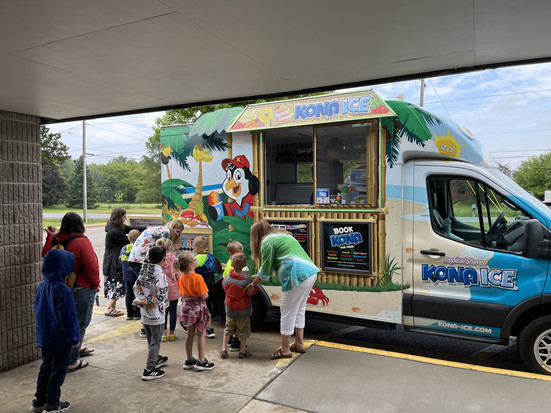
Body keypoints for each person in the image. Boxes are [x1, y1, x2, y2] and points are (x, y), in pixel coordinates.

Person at [247, 220, 319, 359]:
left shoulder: (266, 242)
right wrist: (260, 275)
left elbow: (265, 273)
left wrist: (253, 284)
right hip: (310, 273)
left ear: (256, 235)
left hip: (295, 275)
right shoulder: (285, 236)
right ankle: (299, 343)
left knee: (287, 312)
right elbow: (278, 261)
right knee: (299, 309)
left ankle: (285, 349)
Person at [42, 212, 100, 373]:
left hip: (60, 287)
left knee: (64, 322)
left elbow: (45, 255)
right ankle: (72, 359)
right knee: (80, 323)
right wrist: (95, 285)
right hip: (80, 287)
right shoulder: (81, 241)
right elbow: (92, 266)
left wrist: (50, 237)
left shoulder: (56, 238)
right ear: (80, 224)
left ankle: (76, 348)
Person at [31, 249, 80, 413]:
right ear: (63, 268)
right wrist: (73, 338)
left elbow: (37, 309)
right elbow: (68, 319)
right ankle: (52, 403)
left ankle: (39, 399)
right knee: (58, 370)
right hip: (60, 340)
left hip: (45, 337)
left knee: (46, 367)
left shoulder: (42, 287)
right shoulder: (63, 291)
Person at [128, 220, 183, 337]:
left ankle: (148, 326)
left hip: (135, 259)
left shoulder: (161, 229)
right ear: (172, 227)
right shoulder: (165, 233)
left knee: (147, 291)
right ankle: (146, 327)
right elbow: (161, 251)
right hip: (141, 259)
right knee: (148, 293)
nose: (177, 234)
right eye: (177, 231)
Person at [133, 246, 169, 381]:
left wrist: (141, 300)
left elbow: (136, 289)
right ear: (164, 260)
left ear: (148, 258)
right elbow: (161, 297)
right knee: (156, 341)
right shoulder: (161, 276)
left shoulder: (143, 272)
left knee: (150, 339)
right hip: (156, 315)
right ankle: (149, 369)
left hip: (145, 313)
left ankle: (155, 358)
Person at [175, 252, 215, 371]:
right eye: (194, 259)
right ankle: (201, 360)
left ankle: (189, 359)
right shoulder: (197, 277)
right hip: (198, 309)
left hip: (186, 308)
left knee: (190, 334)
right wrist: (206, 294)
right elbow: (204, 296)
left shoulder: (181, 276)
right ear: (190, 265)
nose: (196, 260)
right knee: (202, 334)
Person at [103, 207, 139, 317]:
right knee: (118, 284)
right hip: (113, 262)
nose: (125, 218)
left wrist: (145, 228)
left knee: (117, 284)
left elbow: (129, 229)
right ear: (119, 217)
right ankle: (109, 308)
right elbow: (127, 239)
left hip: (113, 260)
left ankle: (112, 307)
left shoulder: (115, 227)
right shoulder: (114, 231)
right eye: (124, 216)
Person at [220, 252, 256, 359]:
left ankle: (224, 350)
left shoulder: (226, 278)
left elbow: (224, 288)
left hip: (230, 309)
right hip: (243, 311)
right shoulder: (247, 281)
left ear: (232, 265)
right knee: (243, 331)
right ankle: (242, 351)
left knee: (228, 328)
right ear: (245, 266)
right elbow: (252, 291)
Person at [222, 240, 248, 351]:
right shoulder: (232, 267)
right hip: (237, 300)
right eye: (238, 254)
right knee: (238, 322)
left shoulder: (231, 263)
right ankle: (236, 342)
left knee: (230, 323)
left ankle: (230, 341)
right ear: (230, 254)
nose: (240, 257)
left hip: (229, 298)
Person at [193, 235, 218, 338]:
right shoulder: (211, 257)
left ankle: (194, 328)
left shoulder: (196, 259)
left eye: (194, 247)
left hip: (198, 288)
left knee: (196, 307)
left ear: (200, 247)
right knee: (208, 308)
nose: (193, 249)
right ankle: (209, 328)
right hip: (210, 287)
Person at [155, 238, 179, 342]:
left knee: (163, 311)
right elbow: (178, 274)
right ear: (171, 247)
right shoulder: (174, 259)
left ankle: (163, 334)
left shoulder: (157, 259)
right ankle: (172, 333)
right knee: (173, 311)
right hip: (173, 289)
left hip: (161, 289)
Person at [120, 229, 142, 321]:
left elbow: (119, 260)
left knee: (128, 294)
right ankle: (137, 313)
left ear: (128, 238)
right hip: (136, 275)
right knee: (137, 294)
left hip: (126, 275)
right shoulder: (139, 248)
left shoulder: (124, 248)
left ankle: (129, 313)